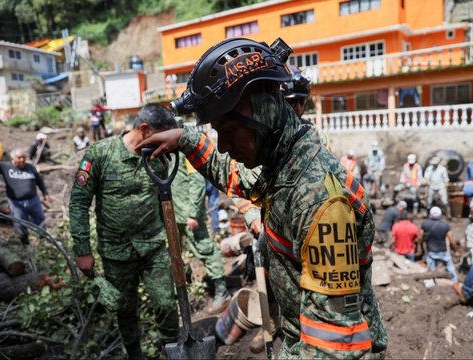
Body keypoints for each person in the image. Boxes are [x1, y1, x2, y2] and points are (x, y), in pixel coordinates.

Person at [136, 37, 387, 358]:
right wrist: (185, 138)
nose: (224, 145)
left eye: (228, 131)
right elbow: (237, 178)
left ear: (263, 114)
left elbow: (335, 345)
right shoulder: (284, 163)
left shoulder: (321, 202)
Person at [69, 104, 179, 360]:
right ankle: (134, 354)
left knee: (165, 303)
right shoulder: (99, 154)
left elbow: (166, 199)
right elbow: (79, 203)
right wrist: (82, 250)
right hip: (116, 251)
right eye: (161, 133)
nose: (165, 140)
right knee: (125, 309)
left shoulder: (159, 156)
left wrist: (176, 241)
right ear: (144, 129)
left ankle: (173, 351)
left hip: (153, 245)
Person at [172, 151, 230, 315]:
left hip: (189, 215)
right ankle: (183, 290)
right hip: (172, 215)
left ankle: (221, 291)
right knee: (173, 254)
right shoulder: (160, 154)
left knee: (205, 249)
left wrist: (193, 213)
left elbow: (197, 181)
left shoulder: (183, 152)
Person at [0, 149, 51, 245]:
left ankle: (44, 242)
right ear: (13, 158)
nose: (22, 159)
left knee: (40, 220)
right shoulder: (5, 167)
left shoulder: (30, 168)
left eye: (24, 157)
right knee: (19, 223)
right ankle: (25, 243)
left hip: (33, 200)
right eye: (19, 157)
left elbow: (39, 181)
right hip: (16, 203)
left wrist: (45, 193)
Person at [280, 64, 331, 151]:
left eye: (302, 101)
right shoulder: (266, 135)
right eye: (292, 102)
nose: (298, 108)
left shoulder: (317, 135)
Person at [419, 206, 458, 282]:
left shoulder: (425, 224)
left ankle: (432, 284)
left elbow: (420, 238)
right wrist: (455, 249)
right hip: (443, 251)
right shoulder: (445, 225)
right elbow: (451, 240)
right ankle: (455, 282)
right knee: (451, 269)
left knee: (431, 271)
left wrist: (421, 249)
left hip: (431, 251)